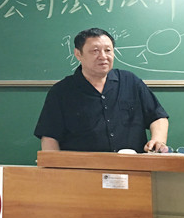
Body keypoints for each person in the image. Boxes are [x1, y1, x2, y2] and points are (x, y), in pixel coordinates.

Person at [34, 27, 169, 153]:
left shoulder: (131, 81)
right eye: (95, 51)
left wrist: (158, 140)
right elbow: (49, 137)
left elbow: (158, 117)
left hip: (132, 166)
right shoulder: (61, 91)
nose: (103, 56)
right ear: (78, 54)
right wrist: (54, 167)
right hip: (82, 168)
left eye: (108, 50)